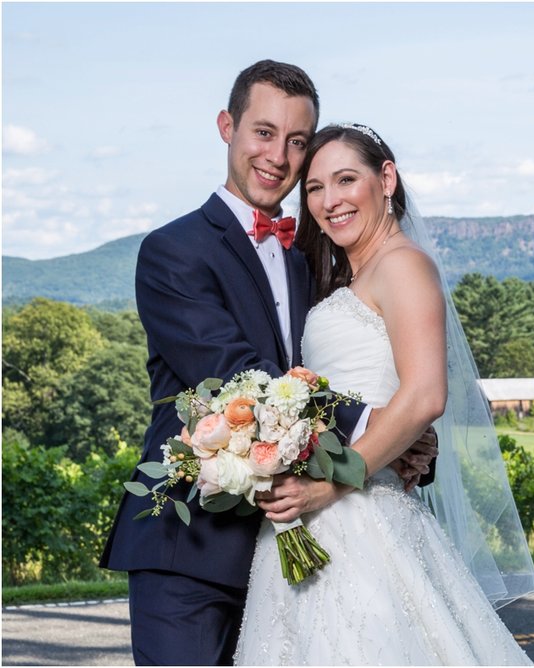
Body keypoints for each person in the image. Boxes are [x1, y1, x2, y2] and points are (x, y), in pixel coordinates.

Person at [99, 61, 436, 666]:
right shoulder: (173, 252)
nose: (278, 155)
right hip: (190, 544)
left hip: (299, 543)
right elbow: (239, 375)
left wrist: (406, 433)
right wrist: (378, 424)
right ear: (227, 127)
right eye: (263, 132)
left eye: (296, 141)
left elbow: (361, 363)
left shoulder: (315, 261)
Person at [234, 123, 534, 665]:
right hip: (316, 515)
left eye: (346, 180)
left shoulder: (403, 264)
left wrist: (329, 487)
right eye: (315, 188)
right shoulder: (351, 277)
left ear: (387, 178)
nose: (330, 201)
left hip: (359, 511)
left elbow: (424, 397)